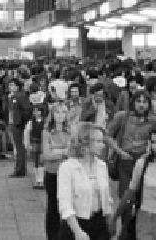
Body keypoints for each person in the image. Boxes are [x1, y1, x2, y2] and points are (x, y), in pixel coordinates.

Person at [57, 122, 113, 240]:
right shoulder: (67, 167)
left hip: (99, 224)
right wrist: (78, 232)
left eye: (102, 141)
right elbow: (65, 204)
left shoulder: (102, 166)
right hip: (75, 224)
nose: (102, 145)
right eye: (98, 141)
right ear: (85, 143)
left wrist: (110, 223)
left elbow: (107, 199)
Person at [106, 89, 156, 196]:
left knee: (142, 197)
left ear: (149, 104)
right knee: (125, 196)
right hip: (125, 159)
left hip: (144, 160)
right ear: (133, 102)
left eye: (145, 102)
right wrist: (119, 152)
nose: (141, 105)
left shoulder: (153, 121)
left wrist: (150, 152)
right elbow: (107, 136)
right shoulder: (122, 116)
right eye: (138, 101)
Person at [42, 100, 72, 240]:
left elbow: (72, 152)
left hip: (67, 174)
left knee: (67, 205)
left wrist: (56, 151)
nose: (60, 115)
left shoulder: (70, 131)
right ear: (52, 114)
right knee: (53, 206)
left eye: (63, 112)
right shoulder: (47, 132)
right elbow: (47, 155)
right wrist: (63, 152)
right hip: (52, 173)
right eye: (57, 112)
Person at [7, 78, 32, 177]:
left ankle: (20, 170)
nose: (10, 87)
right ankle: (19, 169)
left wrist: (21, 122)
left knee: (20, 148)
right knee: (18, 147)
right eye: (10, 85)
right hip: (14, 123)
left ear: (17, 86)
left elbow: (27, 110)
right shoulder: (12, 97)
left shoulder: (20, 96)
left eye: (12, 85)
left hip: (18, 125)